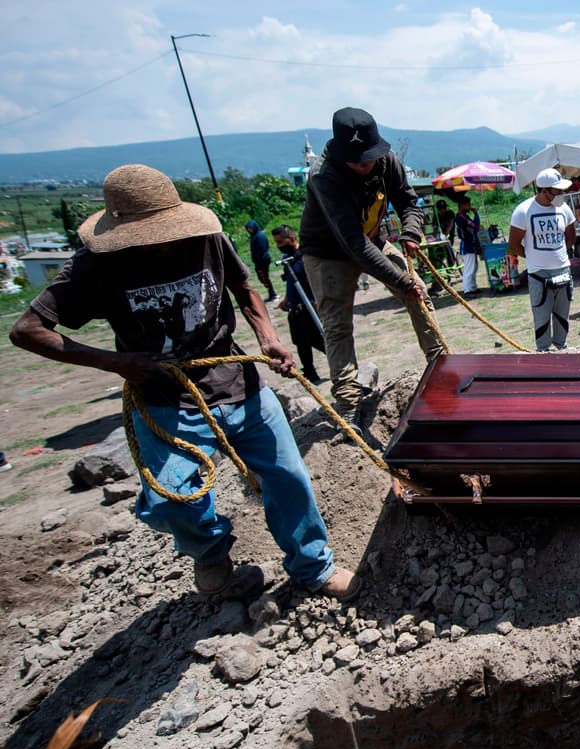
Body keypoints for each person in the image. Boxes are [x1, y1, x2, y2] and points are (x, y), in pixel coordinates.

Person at [9, 164, 360, 600]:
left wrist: (268, 338)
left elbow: (244, 289)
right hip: (164, 397)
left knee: (288, 476)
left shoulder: (207, 238)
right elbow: (26, 330)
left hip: (237, 381)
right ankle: (211, 555)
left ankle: (313, 566)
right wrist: (117, 362)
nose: (164, 242)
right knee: (173, 498)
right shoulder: (94, 265)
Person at [298, 107, 445, 426]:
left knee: (419, 295)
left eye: (369, 158)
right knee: (337, 324)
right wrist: (403, 281)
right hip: (329, 252)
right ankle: (348, 401)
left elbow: (408, 200)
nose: (365, 165)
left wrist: (410, 231)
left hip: (371, 236)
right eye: (357, 160)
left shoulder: (386, 160)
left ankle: (442, 364)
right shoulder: (324, 176)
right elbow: (353, 243)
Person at [510, 168, 577, 351]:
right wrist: (533, 258)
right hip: (539, 273)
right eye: (557, 191)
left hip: (563, 269)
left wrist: (561, 254)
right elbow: (514, 244)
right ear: (544, 190)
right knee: (541, 315)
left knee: (563, 314)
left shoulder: (564, 208)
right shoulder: (523, 211)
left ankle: (562, 347)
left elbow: (571, 236)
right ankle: (543, 351)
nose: (561, 194)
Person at [271, 225, 325, 383]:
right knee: (301, 343)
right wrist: (287, 300)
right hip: (295, 309)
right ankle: (310, 372)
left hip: (309, 307)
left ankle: (342, 365)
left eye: (281, 242)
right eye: (276, 243)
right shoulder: (289, 260)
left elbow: (316, 282)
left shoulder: (305, 258)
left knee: (318, 340)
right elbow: (292, 284)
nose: (278, 246)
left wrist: (317, 303)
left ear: (292, 239)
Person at [455, 195, 483, 297]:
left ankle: (473, 287)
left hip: (472, 245)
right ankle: (467, 290)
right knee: (469, 269)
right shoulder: (460, 217)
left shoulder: (465, 216)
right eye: (468, 204)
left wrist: (475, 215)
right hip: (467, 246)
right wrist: (475, 215)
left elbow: (475, 226)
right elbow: (475, 226)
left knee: (474, 268)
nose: (470, 206)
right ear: (462, 205)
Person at [245, 219, 277, 302]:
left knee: (264, 278)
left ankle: (273, 294)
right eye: (248, 228)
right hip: (258, 261)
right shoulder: (253, 236)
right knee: (263, 278)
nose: (249, 230)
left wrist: (258, 260)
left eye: (250, 228)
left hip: (263, 260)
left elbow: (262, 249)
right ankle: (271, 293)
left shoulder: (260, 236)